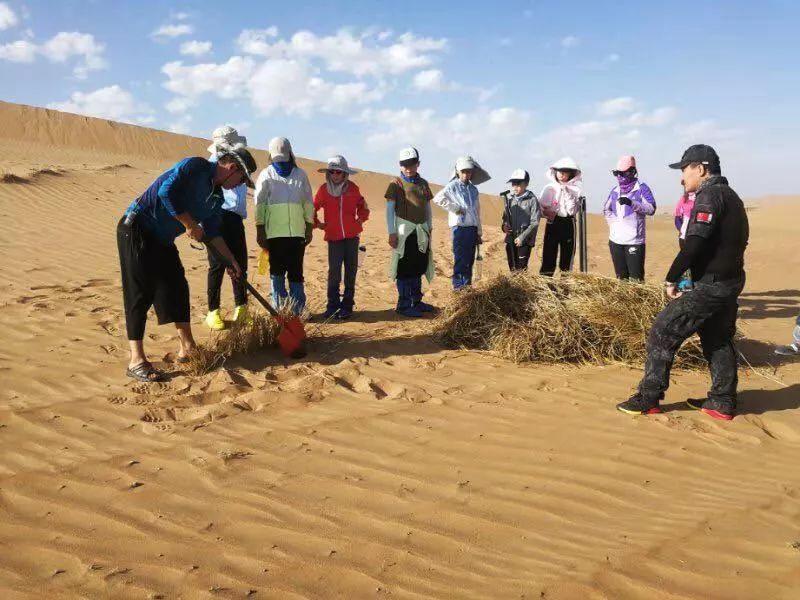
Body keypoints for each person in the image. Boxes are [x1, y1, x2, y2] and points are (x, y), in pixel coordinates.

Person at [616, 144, 749, 421]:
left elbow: (694, 244)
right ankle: (722, 400)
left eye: (685, 170)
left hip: (711, 285)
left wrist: (671, 278)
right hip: (729, 282)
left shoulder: (709, 196)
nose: (682, 177)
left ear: (700, 169)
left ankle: (649, 396)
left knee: (663, 331)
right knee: (717, 339)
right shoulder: (732, 196)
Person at [118, 146, 257, 382]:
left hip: (163, 239)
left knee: (177, 288)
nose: (240, 185)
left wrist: (231, 260)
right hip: (137, 228)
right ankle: (137, 360)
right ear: (232, 168)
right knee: (140, 293)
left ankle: (188, 348)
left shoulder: (217, 198)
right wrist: (189, 223)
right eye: (242, 179)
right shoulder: (195, 166)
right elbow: (166, 192)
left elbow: (213, 233)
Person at [254, 137, 314, 315]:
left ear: (290, 154)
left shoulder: (300, 175)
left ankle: (298, 310)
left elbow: (308, 203)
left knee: (296, 272)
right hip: (274, 234)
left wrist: (309, 227)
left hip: (297, 233)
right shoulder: (266, 174)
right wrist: (260, 229)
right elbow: (260, 204)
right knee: (277, 272)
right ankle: (279, 309)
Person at [204, 126, 250, 331]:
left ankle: (241, 308)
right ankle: (213, 311)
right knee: (217, 266)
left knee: (240, 263)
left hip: (235, 219)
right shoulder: (213, 165)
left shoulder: (240, 162)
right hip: (216, 217)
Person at [314, 155, 370, 320]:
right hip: (333, 238)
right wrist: (317, 223)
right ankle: (332, 306)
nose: (335, 175)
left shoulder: (353, 188)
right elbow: (312, 207)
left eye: (339, 172)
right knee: (334, 273)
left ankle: (347, 306)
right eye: (332, 172)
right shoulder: (323, 190)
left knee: (351, 271)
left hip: (352, 237)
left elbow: (363, 207)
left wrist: (359, 221)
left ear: (345, 174)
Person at [384, 147, 436, 318]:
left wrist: (429, 227)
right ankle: (404, 304)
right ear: (400, 165)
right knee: (405, 269)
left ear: (417, 164)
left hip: (421, 231)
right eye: (404, 164)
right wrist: (391, 232)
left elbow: (427, 207)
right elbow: (389, 209)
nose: (408, 167)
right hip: (403, 233)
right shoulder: (396, 184)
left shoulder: (423, 184)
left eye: (411, 163)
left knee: (418, 266)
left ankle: (417, 301)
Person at [432, 156, 491, 289]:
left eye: (469, 171)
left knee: (470, 260)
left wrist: (479, 232)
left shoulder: (474, 190)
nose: (466, 174)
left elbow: (477, 212)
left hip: (472, 229)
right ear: (458, 171)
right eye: (463, 171)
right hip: (459, 228)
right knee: (460, 259)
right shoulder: (452, 186)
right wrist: (455, 208)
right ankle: (458, 288)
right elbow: (438, 198)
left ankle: (467, 287)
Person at [603, 155, 656, 281]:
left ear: (632, 172)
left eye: (622, 173)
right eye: (616, 173)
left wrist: (632, 203)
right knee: (621, 279)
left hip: (634, 242)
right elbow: (606, 209)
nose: (619, 177)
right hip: (615, 241)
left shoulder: (642, 188)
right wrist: (614, 224)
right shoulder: (615, 190)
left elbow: (651, 208)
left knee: (636, 281)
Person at [538, 157, 582, 276]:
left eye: (565, 171)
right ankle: (545, 285)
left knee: (567, 257)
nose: (562, 174)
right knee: (549, 254)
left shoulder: (576, 189)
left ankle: (564, 286)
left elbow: (573, 210)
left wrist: (568, 193)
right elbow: (540, 208)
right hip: (553, 223)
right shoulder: (548, 188)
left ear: (571, 173)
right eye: (560, 171)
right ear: (555, 172)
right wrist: (546, 213)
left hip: (568, 223)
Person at [501, 169, 540, 271]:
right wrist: (504, 227)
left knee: (521, 269)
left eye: (518, 184)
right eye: (513, 184)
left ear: (526, 184)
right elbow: (505, 219)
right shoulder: (510, 200)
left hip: (524, 242)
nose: (515, 187)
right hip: (511, 240)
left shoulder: (532, 200)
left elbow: (535, 222)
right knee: (512, 268)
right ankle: (514, 287)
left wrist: (522, 238)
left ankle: (522, 287)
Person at [674, 188, 696, 290]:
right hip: (684, 237)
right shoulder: (683, 199)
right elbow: (677, 217)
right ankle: (685, 288)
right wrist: (681, 229)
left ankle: (699, 289)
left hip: (699, 236)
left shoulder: (704, 197)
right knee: (685, 263)